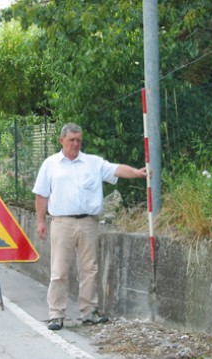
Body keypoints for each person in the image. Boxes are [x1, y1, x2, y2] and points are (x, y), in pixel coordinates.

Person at [32, 123, 147, 330]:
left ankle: (89, 312)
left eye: (79, 140)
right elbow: (41, 195)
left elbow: (115, 169)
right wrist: (41, 221)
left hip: (88, 223)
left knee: (89, 269)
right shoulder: (50, 164)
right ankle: (56, 314)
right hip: (62, 223)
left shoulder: (93, 163)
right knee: (59, 270)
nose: (76, 144)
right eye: (72, 140)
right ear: (62, 141)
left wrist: (137, 173)